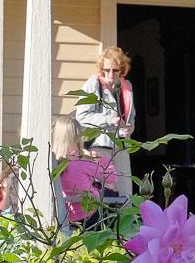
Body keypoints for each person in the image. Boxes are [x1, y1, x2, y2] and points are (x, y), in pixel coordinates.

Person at [74, 47, 136, 198]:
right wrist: (108, 120)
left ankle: (123, 221)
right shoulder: (93, 85)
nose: (110, 74)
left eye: (115, 70)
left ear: (122, 69)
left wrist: (130, 128)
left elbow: (131, 116)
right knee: (101, 195)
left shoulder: (126, 86)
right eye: (106, 69)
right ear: (101, 68)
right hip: (98, 147)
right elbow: (81, 116)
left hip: (121, 147)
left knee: (125, 195)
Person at [50, 114, 115, 230]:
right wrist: (102, 160)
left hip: (64, 214)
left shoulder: (51, 162)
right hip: (89, 214)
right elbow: (111, 178)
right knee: (113, 195)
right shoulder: (82, 160)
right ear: (78, 136)